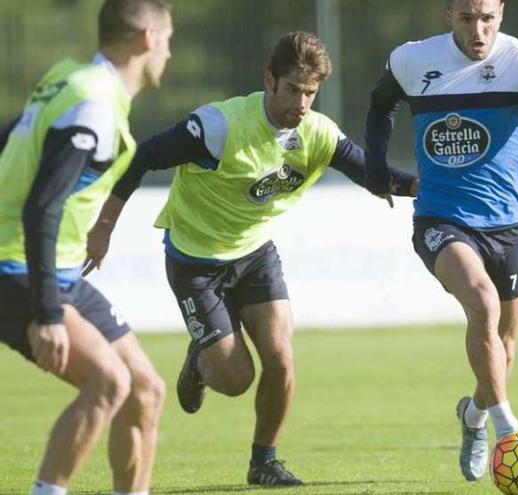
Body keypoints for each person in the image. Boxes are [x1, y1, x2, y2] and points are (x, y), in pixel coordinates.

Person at [84, 31, 417, 487]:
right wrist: (103, 229)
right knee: (237, 377)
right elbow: (142, 157)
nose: (302, 103)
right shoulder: (220, 128)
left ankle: (264, 462)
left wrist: (424, 187)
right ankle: (201, 360)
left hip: (256, 254)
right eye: (294, 90)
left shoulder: (316, 132)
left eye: (311, 93)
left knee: (281, 359)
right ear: (269, 80)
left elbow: (372, 173)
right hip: (195, 261)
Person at [364, 0, 518, 482]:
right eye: (467, 19)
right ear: (448, 14)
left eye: (487, 18)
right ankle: (511, 433)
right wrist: (377, 170)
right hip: (441, 220)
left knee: (506, 347)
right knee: (482, 304)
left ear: (501, 14)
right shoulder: (411, 60)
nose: (478, 30)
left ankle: (474, 416)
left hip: (510, 225)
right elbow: (380, 104)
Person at [0, 1, 173, 494]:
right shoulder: (92, 104)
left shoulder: (70, 78)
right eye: (167, 39)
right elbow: (42, 205)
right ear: (145, 38)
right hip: (17, 265)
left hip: (58, 270)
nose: (168, 52)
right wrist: (48, 314)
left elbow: (11, 139)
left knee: (145, 390)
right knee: (109, 383)